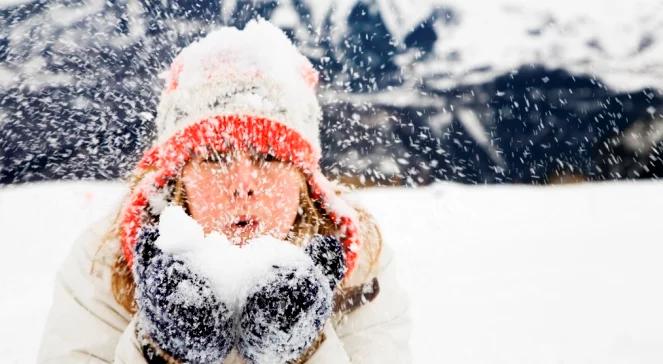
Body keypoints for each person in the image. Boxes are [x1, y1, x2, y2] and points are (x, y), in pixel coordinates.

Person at [37, 19, 411, 364]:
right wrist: (158, 349)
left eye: (269, 157)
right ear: (179, 176)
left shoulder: (359, 268)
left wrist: (303, 348)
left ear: (305, 180)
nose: (243, 184)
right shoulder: (106, 261)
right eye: (215, 159)